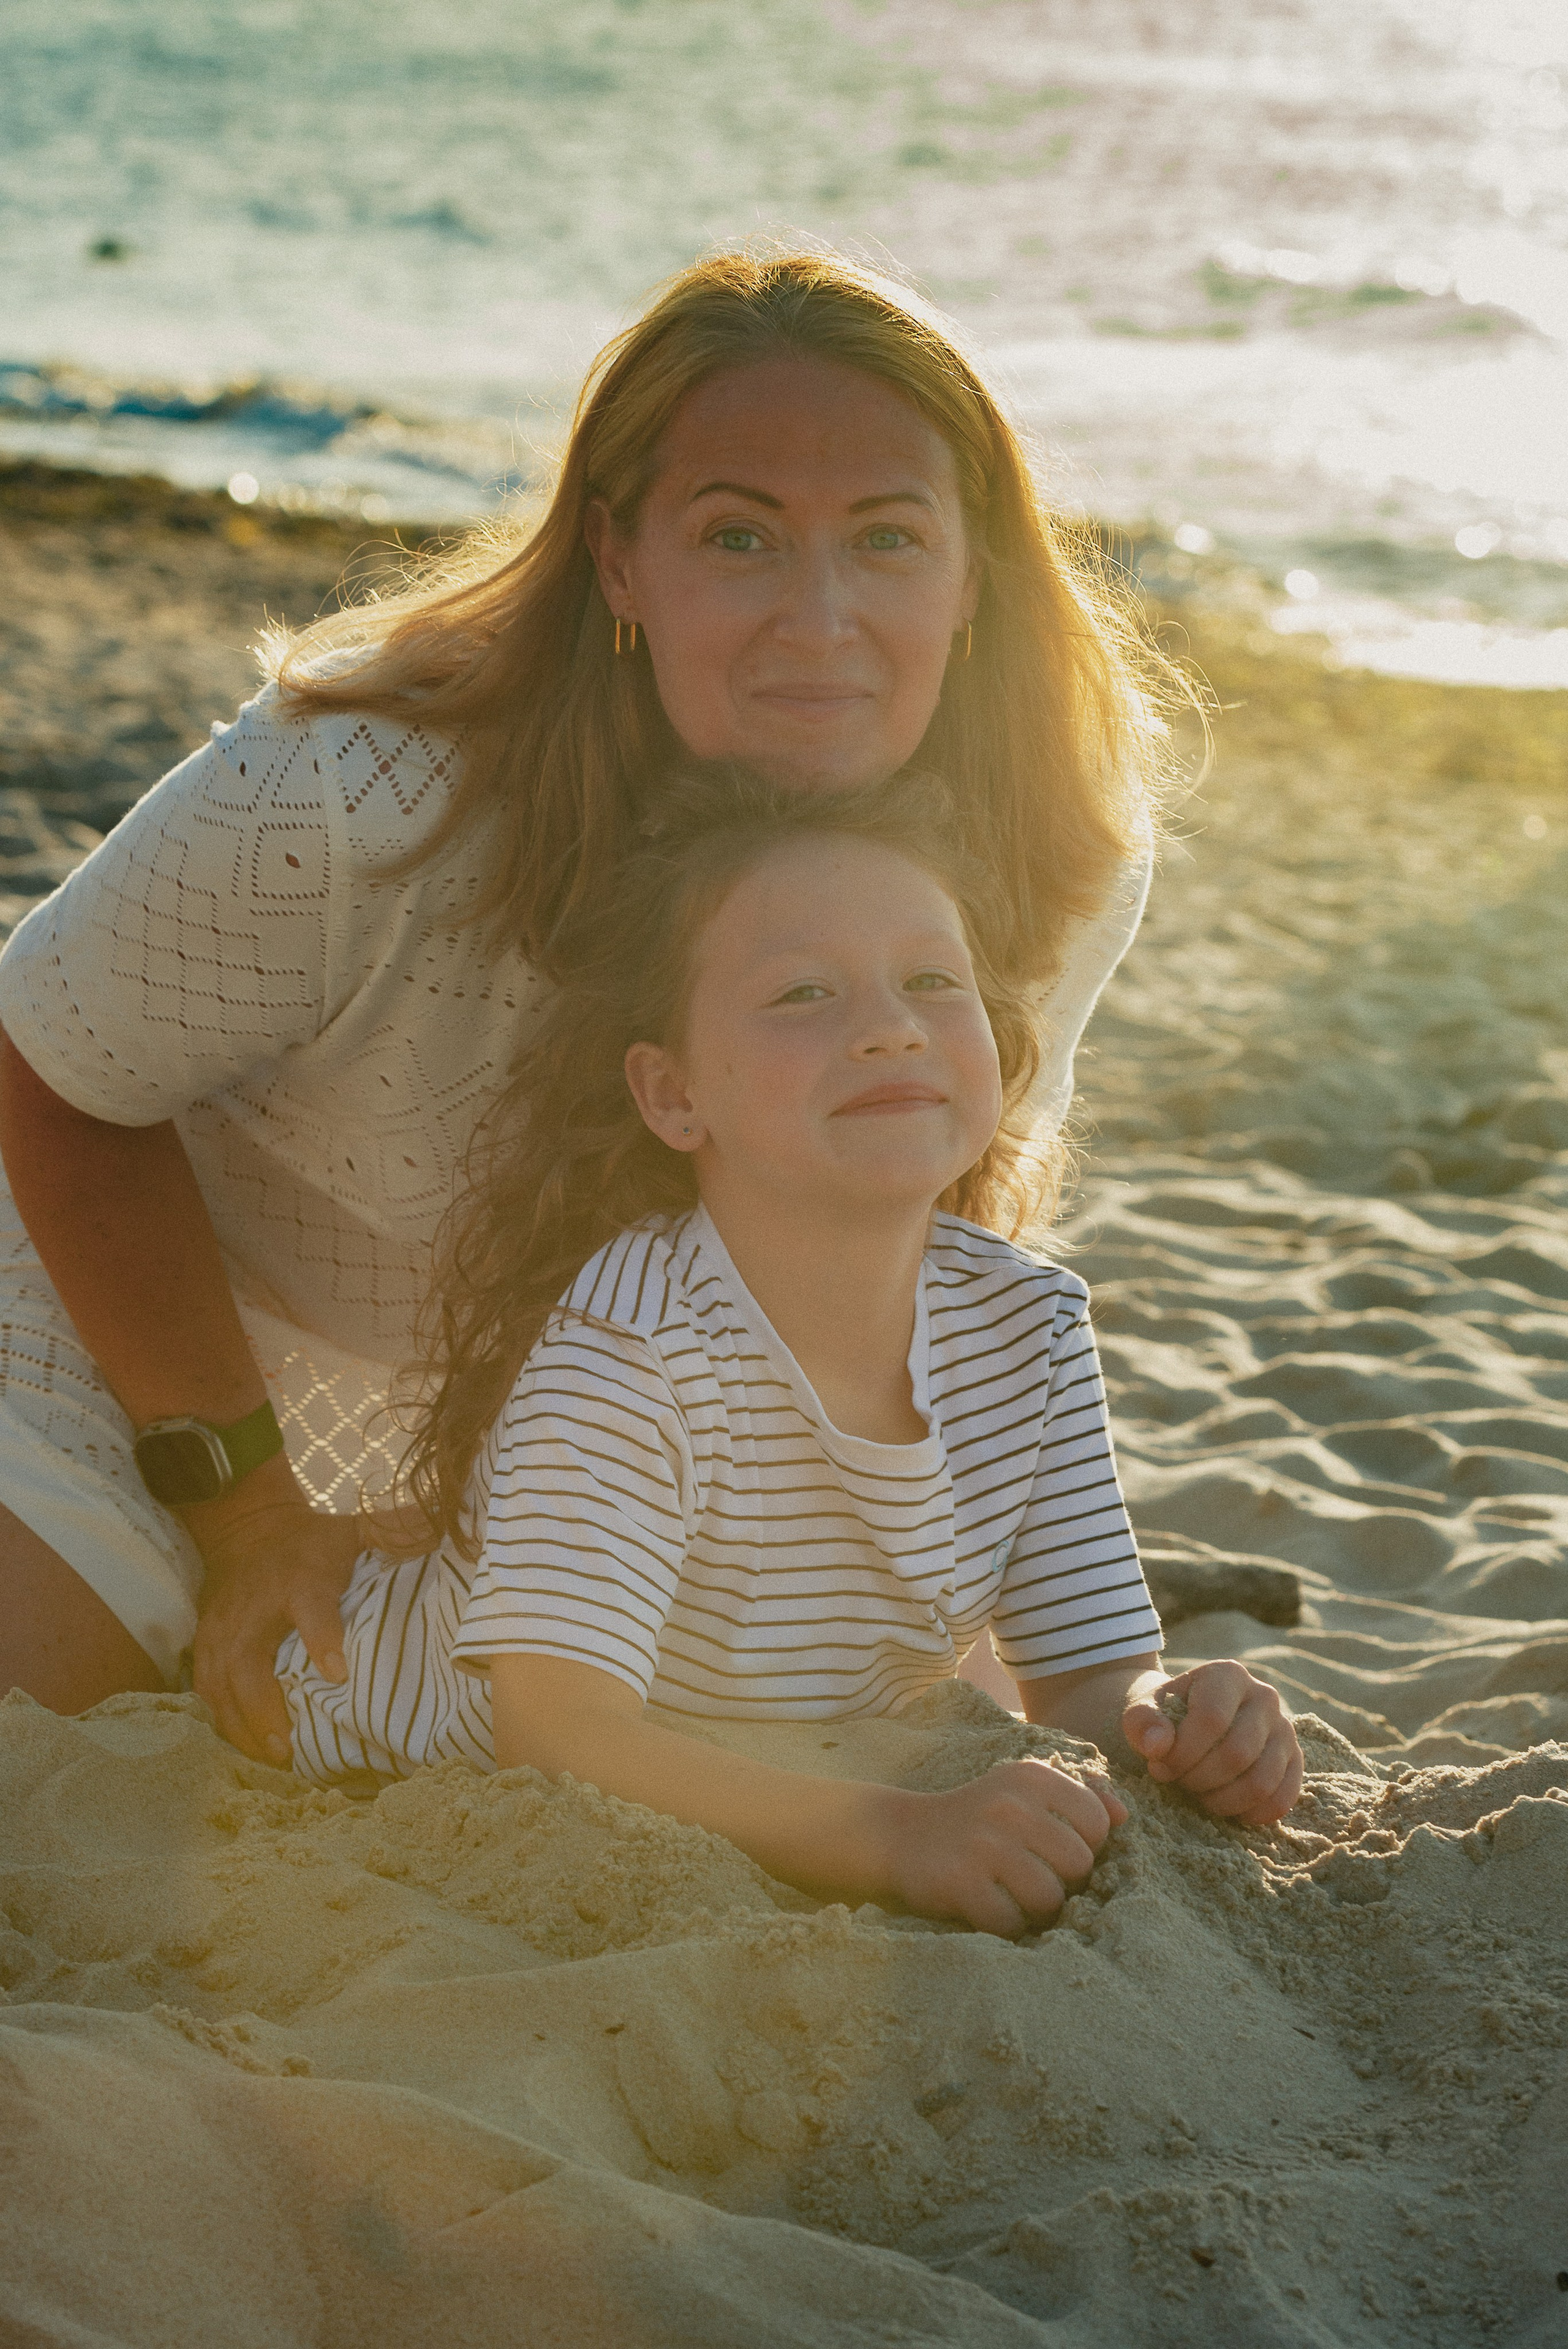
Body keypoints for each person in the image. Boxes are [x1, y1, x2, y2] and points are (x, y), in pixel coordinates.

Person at [0, 247, 1180, 1766]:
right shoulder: (363, 788)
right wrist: (244, 1507)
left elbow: (914, 1216)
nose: (819, 617)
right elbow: (44, 1069)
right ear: (618, 559)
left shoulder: (1055, 854)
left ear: (974, 576)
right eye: (739, 536)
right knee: (64, 1713)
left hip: (598, 1419)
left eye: (887, 538)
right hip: (134, 1340)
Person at [279, 771, 1300, 1937]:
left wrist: (1185, 1724)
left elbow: (1080, 1679)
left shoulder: (1031, 1328)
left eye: (933, 981)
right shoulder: (628, 1350)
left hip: (780, 1734)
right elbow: (558, 1739)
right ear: (674, 1094)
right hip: (370, 1742)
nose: (890, 1026)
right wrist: (897, 1837)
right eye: (803, 993)